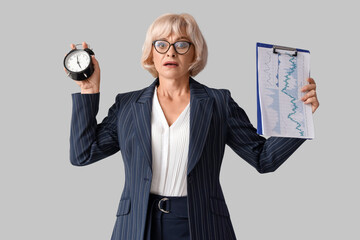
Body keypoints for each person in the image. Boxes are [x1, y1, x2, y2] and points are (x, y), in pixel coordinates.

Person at [65, 13, 319, 240]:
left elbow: (264, 159)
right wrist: (89, 89)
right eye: (161, 44)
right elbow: (83, 154)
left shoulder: (219, 103)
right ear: (150, 53)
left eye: (182, 44)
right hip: (139, 225)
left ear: (195, 54)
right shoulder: (128, 105)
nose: (171, 52)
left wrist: (300, 116)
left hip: (200, 224)